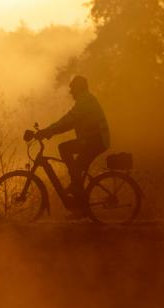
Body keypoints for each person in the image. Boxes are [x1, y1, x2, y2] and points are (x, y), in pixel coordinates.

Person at [35, 76, 110, 217]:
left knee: (64, 148)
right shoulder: (85, 100)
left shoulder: (85, 101)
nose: (71, 92)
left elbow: (68, 120)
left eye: (72, 88)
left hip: (95, 140)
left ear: (79, 88)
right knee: (76, 170)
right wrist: (49, 131)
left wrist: (48, 131)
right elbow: (68, 122)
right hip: (94, 140)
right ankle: (80, 207)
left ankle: (76, 190)